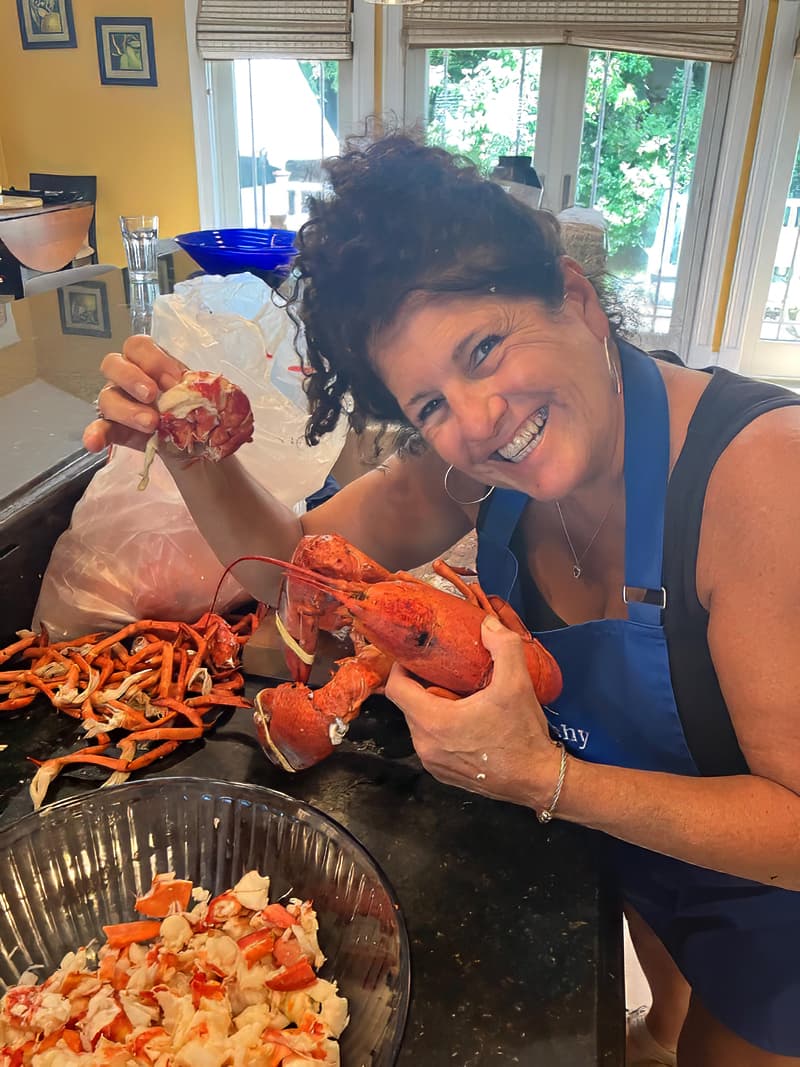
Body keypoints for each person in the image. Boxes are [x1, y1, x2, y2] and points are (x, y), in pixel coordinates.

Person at [84, 134, 800, 1066]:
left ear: (577, 301)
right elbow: (294, 572)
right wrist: (195, 456)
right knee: (652, 1038)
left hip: (775, 899)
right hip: (637, 864)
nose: (476, 420)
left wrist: (548, 779)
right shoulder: (477, 469)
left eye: (486, 347)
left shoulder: (764, 476)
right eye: (428, 404)